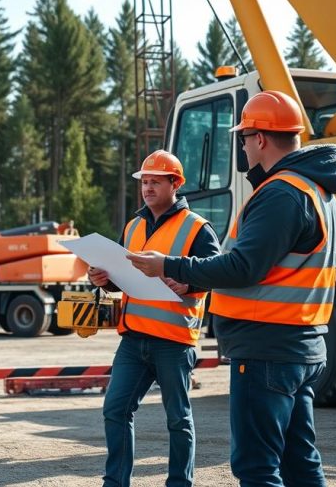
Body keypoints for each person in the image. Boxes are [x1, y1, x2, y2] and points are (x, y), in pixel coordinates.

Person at [127, 91, 336, 487]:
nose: (242, 145)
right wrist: (193, 278)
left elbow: (244, 266)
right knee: (300, 463)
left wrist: (169, 265)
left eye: (243, 137)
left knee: (256, 468)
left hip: (268, 351)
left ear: (260, 139)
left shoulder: (281, 193)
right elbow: (276, 268)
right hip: (300, 345)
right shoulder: (320, 194)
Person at [89, 150, 221, 487]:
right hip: (133, 338)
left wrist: (189, 281)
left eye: (155, 182)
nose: (147, 187)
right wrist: (104, 279)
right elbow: (122, 276)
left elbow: (217, 273)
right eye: (144, 181)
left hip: (174, 341)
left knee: (178, 419)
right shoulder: (133, 225)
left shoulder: (197, 228)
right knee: (114, 410)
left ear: (174, 184)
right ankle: (115, 482)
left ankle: (179, 483)